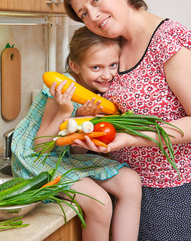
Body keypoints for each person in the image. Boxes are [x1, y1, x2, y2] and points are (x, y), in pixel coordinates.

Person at [63, 0, 191, 241]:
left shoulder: (170, 40)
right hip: (126, 186)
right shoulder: (115, 44)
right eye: (83, 13)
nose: (93, 16)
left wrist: (130, 139)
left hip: (175, 190)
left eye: (96, 0)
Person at [11, 26, 142, 241]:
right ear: (75, 65)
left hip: (63, 156)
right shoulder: (63, 88)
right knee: (99, 202)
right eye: (96, 67)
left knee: (131, 181)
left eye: (113, 65)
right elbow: (40, 145)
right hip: (34, 158)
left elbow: (76, 150)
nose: (107, 74)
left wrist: (81, 121)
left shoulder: (96, 91)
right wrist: (65, 110)